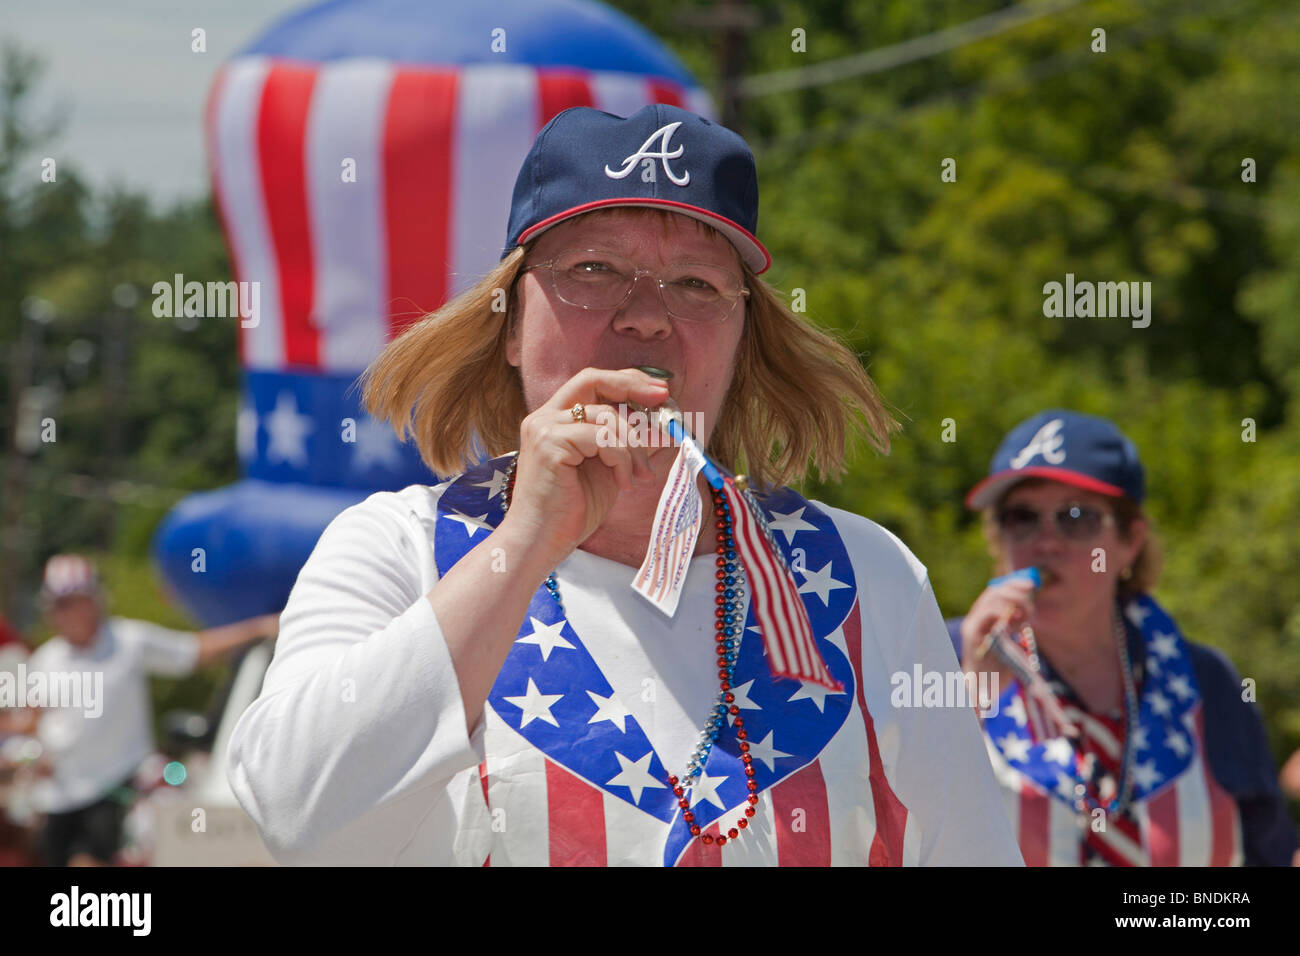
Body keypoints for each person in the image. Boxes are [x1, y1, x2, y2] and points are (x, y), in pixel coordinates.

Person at [227, 104, 1021, 867]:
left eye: (697, 285)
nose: (646, 317)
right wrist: (529, 540)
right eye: (594, 269)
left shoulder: (864, 574)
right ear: (509, 325)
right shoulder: (399, 549)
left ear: (743, 340)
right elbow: (299, 818)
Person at [951, 410, 1297, 866]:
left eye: (1076, 518)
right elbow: (895, 828)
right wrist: (967, 700)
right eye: (1021, 517)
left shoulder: (1205, 681)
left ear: (1131, 541)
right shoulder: (942, 654)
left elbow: (1267, 852)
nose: (1046, 541)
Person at [19, 554, 278, 866]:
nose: (65, 613)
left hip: (117, 790)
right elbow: (32, 721)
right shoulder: (45, 661)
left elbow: (194, 651)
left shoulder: (128, 641)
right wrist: (36, 754)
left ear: (93, 600)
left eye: (73, 602)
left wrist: (258, 628)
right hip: (61, 796)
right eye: (58, 605)